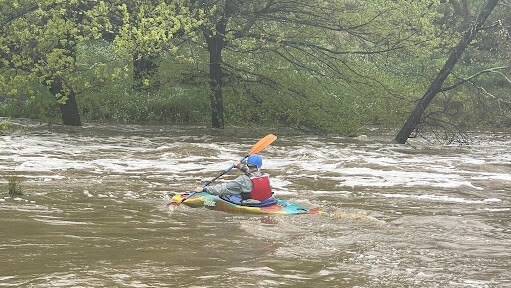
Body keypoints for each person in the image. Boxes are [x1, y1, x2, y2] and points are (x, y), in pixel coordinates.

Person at [194, 154, 273, 203]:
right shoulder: (264, 175)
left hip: (251, 203)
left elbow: (222, 188)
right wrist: (239, 166)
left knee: (224, 194)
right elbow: (251, 172)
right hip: (266, 201)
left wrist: (204, 189)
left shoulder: (243, 179)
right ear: (260, 165)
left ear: (248, 164)